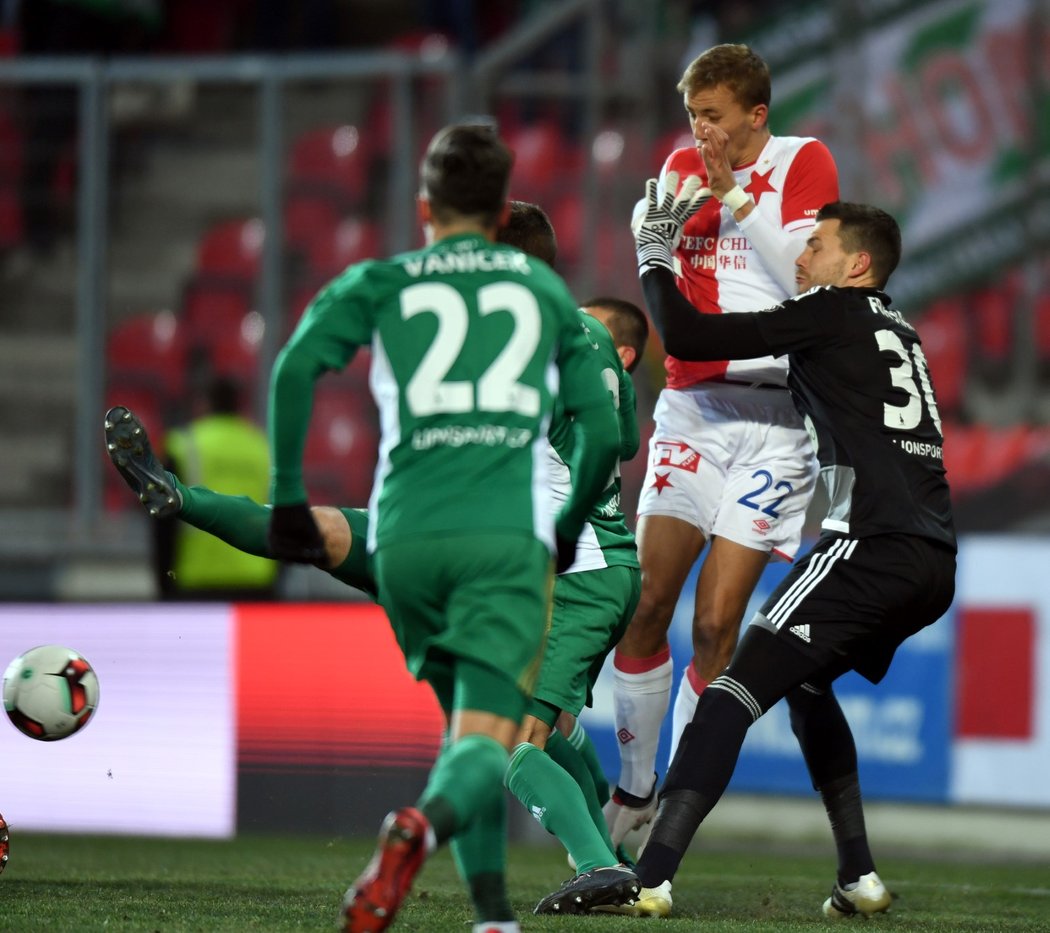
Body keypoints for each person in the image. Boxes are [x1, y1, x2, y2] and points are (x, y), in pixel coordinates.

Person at [104, 200, 649, 919]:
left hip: (558, 565)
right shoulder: (573, 331)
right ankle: (181, 498)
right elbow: (615, 437)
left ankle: (601, 863)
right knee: (322, 533)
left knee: (512, 737)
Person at [265, 124, 626, 933]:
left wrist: (290, 498)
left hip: (405, 537)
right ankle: (418, 829)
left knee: (465, 729)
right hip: (500, 537)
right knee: (485, 740)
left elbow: (294, 367)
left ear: (423, 205)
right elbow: (602, 434)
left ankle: (493, 916)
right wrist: (567, 525)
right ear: (503, 210)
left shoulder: (383, 279)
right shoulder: (543, 297)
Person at [585, 191, 956, 919]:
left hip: (868, 547)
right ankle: (858, 876)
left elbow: (688, 336)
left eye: (815, 245)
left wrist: (655, 252)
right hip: (933, 558)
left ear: (856, 263)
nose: (799, 255)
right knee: (809, 688)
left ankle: (650, 874)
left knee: (731, 688)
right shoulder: (900, 329)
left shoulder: (832, 312)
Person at [605, 42, 841, 850]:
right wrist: (651, 233)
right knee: (646, 600)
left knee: (715, 626)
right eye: (692, 115)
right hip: (693, 407)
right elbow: (659, 263)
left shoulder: (803, 161)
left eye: (712, 115)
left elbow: (808, 280)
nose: (698, 131)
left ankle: (675, 803)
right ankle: (632, 793)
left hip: (777, 422)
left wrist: (735, 195)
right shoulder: (678, 165)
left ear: (755, 115)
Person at [153, 376, 279, 601]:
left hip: (196, 580)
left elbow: (163, 520)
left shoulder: (183, 445)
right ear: (239, 406)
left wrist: (164, 583)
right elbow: (283, 515)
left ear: (204, 403)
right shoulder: (262, 448)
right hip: (256, 582)